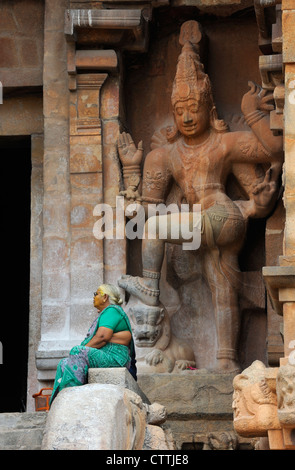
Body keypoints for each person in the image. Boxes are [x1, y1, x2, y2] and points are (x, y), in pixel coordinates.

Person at [118, 25, 283, 373]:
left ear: (207, 104)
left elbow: (275, 148)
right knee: (224, 286)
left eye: (193, 107)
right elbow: (147, 210)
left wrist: (251, 113)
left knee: (156, 231)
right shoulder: (164, 155)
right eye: (180, 110)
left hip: (222, 215)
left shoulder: (224, 144)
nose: (188, 117)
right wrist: (133, 175)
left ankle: (149, 289)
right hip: (207, 229)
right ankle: (227, 361)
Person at [50, 284, 136, 405]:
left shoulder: (112, 310)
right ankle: (58, 403)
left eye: (96, 294)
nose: (94, 297)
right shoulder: (107, 313)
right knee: (63, 363)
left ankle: (72, 400)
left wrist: (82, 349)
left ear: (105, 297)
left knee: (77, 351)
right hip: (106, 354)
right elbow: (107, 337)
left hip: (115, 358)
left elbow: (101, 337)